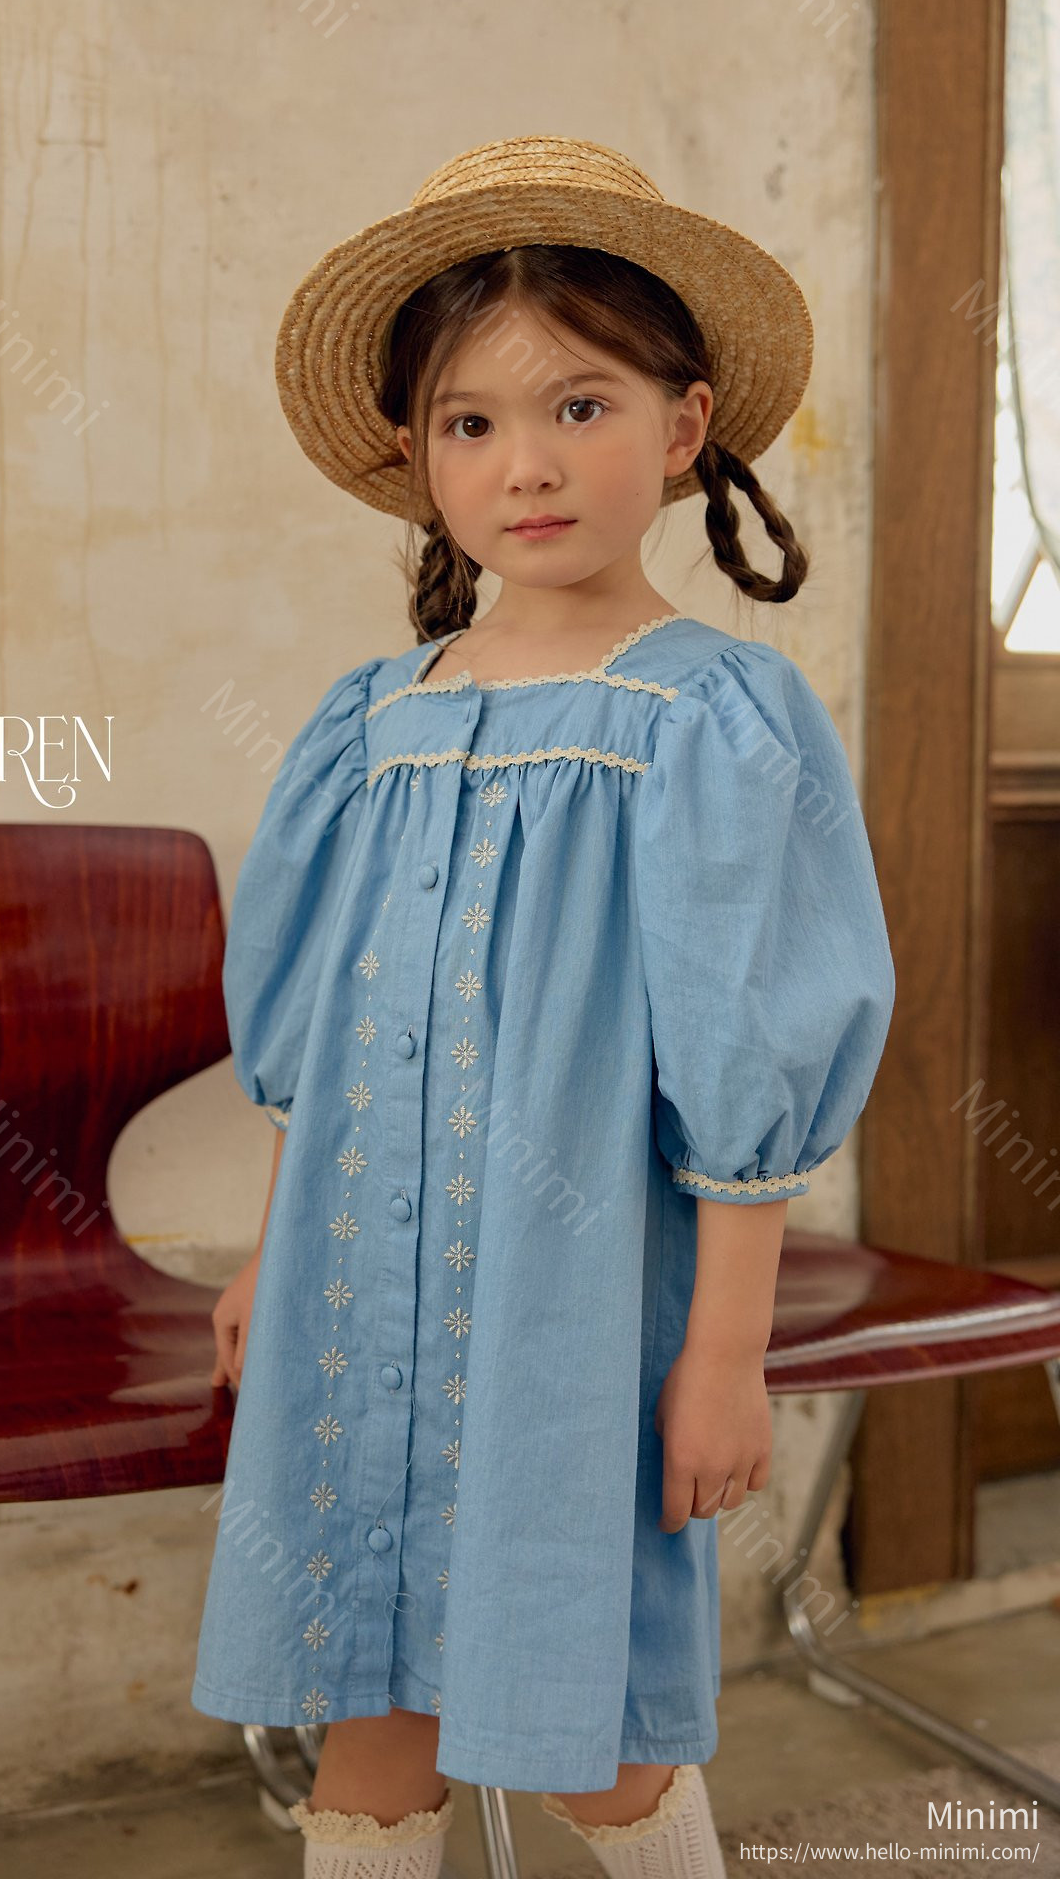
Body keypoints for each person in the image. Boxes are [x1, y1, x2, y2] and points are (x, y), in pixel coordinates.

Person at [191, 136, 896, 1878]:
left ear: (685, 424)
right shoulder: (369, 727)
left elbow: (752, 1054)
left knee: (592, 1719)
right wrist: (273, 1260)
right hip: (357, 1299)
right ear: (415, 453)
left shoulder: (713, 721)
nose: (526, 464)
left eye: (582, 407)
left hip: (574, 1313)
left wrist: (724, 1358)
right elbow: (317, 1049)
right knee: (366, 1705)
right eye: (472, 421)